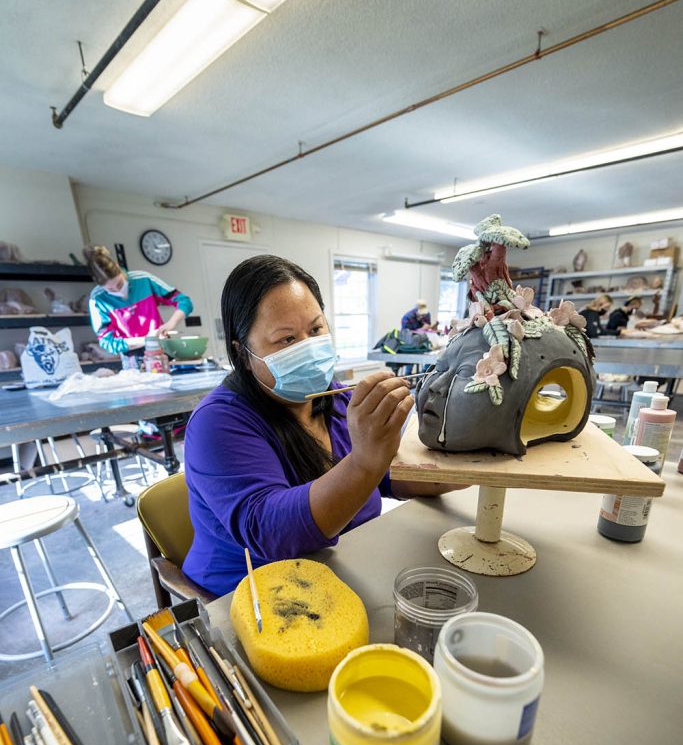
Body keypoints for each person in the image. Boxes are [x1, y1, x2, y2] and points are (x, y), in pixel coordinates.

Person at [182, 255, 462, 595]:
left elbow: (386, 475)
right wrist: (365, 461)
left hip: (341, 574)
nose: (309, 347)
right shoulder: (217, 424)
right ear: (243, 353)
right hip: (250, 597)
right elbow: (272, 534)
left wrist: (470, 468)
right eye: (286, 340)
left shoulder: (334, 398)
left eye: (315, 329)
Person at [84, 245, 194, 355]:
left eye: (120, 284)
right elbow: (107, 342)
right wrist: (147, 339)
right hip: (131, 358)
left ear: (119, 269)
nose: (118, 290)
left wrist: (170, 324)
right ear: (98, 284)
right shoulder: (97, 300)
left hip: (162, 351)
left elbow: (184, 301)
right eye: (111, 289)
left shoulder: (143, 280)